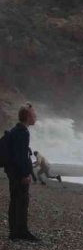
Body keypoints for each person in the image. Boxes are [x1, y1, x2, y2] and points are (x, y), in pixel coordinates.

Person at [5, 103, 39, 242]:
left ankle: (15, 232)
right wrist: (25, 175)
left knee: (16, 201)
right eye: (34, 114)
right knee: (21, 201)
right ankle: (20, 232)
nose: (36, 117)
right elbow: (20, 156)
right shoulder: (22, 132)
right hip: (17, 173)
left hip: (12, 171)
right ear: (27, 116)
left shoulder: (17, 130)